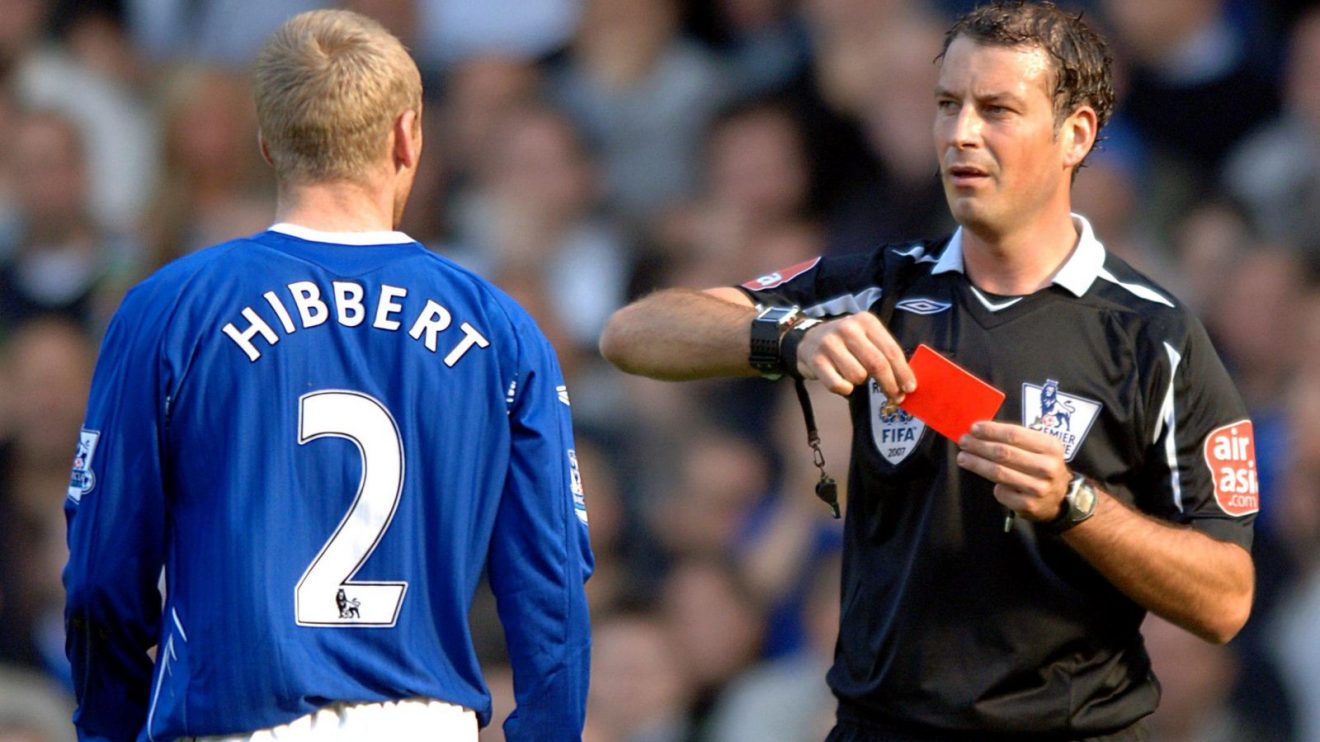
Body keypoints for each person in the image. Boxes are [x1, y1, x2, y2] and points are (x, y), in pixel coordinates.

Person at [599, 2, 1256, 739]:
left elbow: (1226, 599)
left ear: (1076, 135)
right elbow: (633, 332)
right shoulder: (879, 290)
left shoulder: (1156, 336)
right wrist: (790, 337)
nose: (960, 133)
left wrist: (1077, 505)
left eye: (997, 109)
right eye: (947, 105)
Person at [63, 10, 592, 741]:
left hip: (234, 717)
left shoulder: (169, 306)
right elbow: (551, 587)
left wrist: (107, 728)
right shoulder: (502, 328)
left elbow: (100, 577)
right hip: (424, 722)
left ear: (267, 141)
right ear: (407, 135)